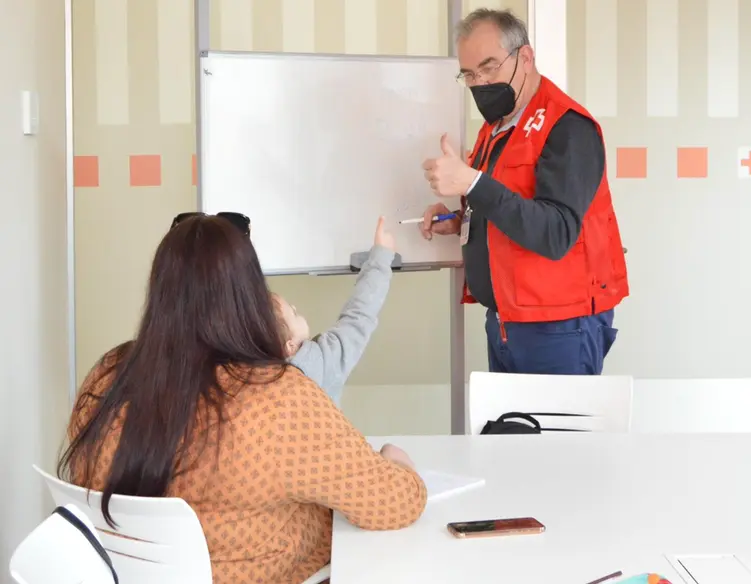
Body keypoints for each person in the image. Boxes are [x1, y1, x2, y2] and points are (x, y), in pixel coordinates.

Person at [59, 216, 427, 584]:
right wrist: (397, 462)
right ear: (249, 295)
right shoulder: (277, 400)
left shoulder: (107, 376)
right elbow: (395, 503)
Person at [419, 8, 629, 375]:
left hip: (558, 327)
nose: (480, 82)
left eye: (489, 67)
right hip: (505, 319)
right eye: (469, 74)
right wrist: (459, 218)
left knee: (555, 434)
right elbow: (508, 206)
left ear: (525, 58)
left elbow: (556, 233)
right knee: (509, 433)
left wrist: (470, 182)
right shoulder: (495, 129)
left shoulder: (567, 127)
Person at [274, 216, 395, 405]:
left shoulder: (249, 382)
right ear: (290, 347)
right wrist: (382, 255)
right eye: (293, 313)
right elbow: (359, 313)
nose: (296, 308)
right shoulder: (322, 362)